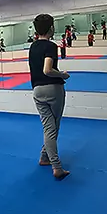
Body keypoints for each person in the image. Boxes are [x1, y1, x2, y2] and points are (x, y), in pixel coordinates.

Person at [29, 14, 70, 180]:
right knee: (53, 128)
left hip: (37, 91)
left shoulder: (32, 47)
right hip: (53, 89)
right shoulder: (51, 46)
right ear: (51, 28)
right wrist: (62, 74)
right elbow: (47, 70)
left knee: (48, 127)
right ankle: (57, 167)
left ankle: (44, 157)